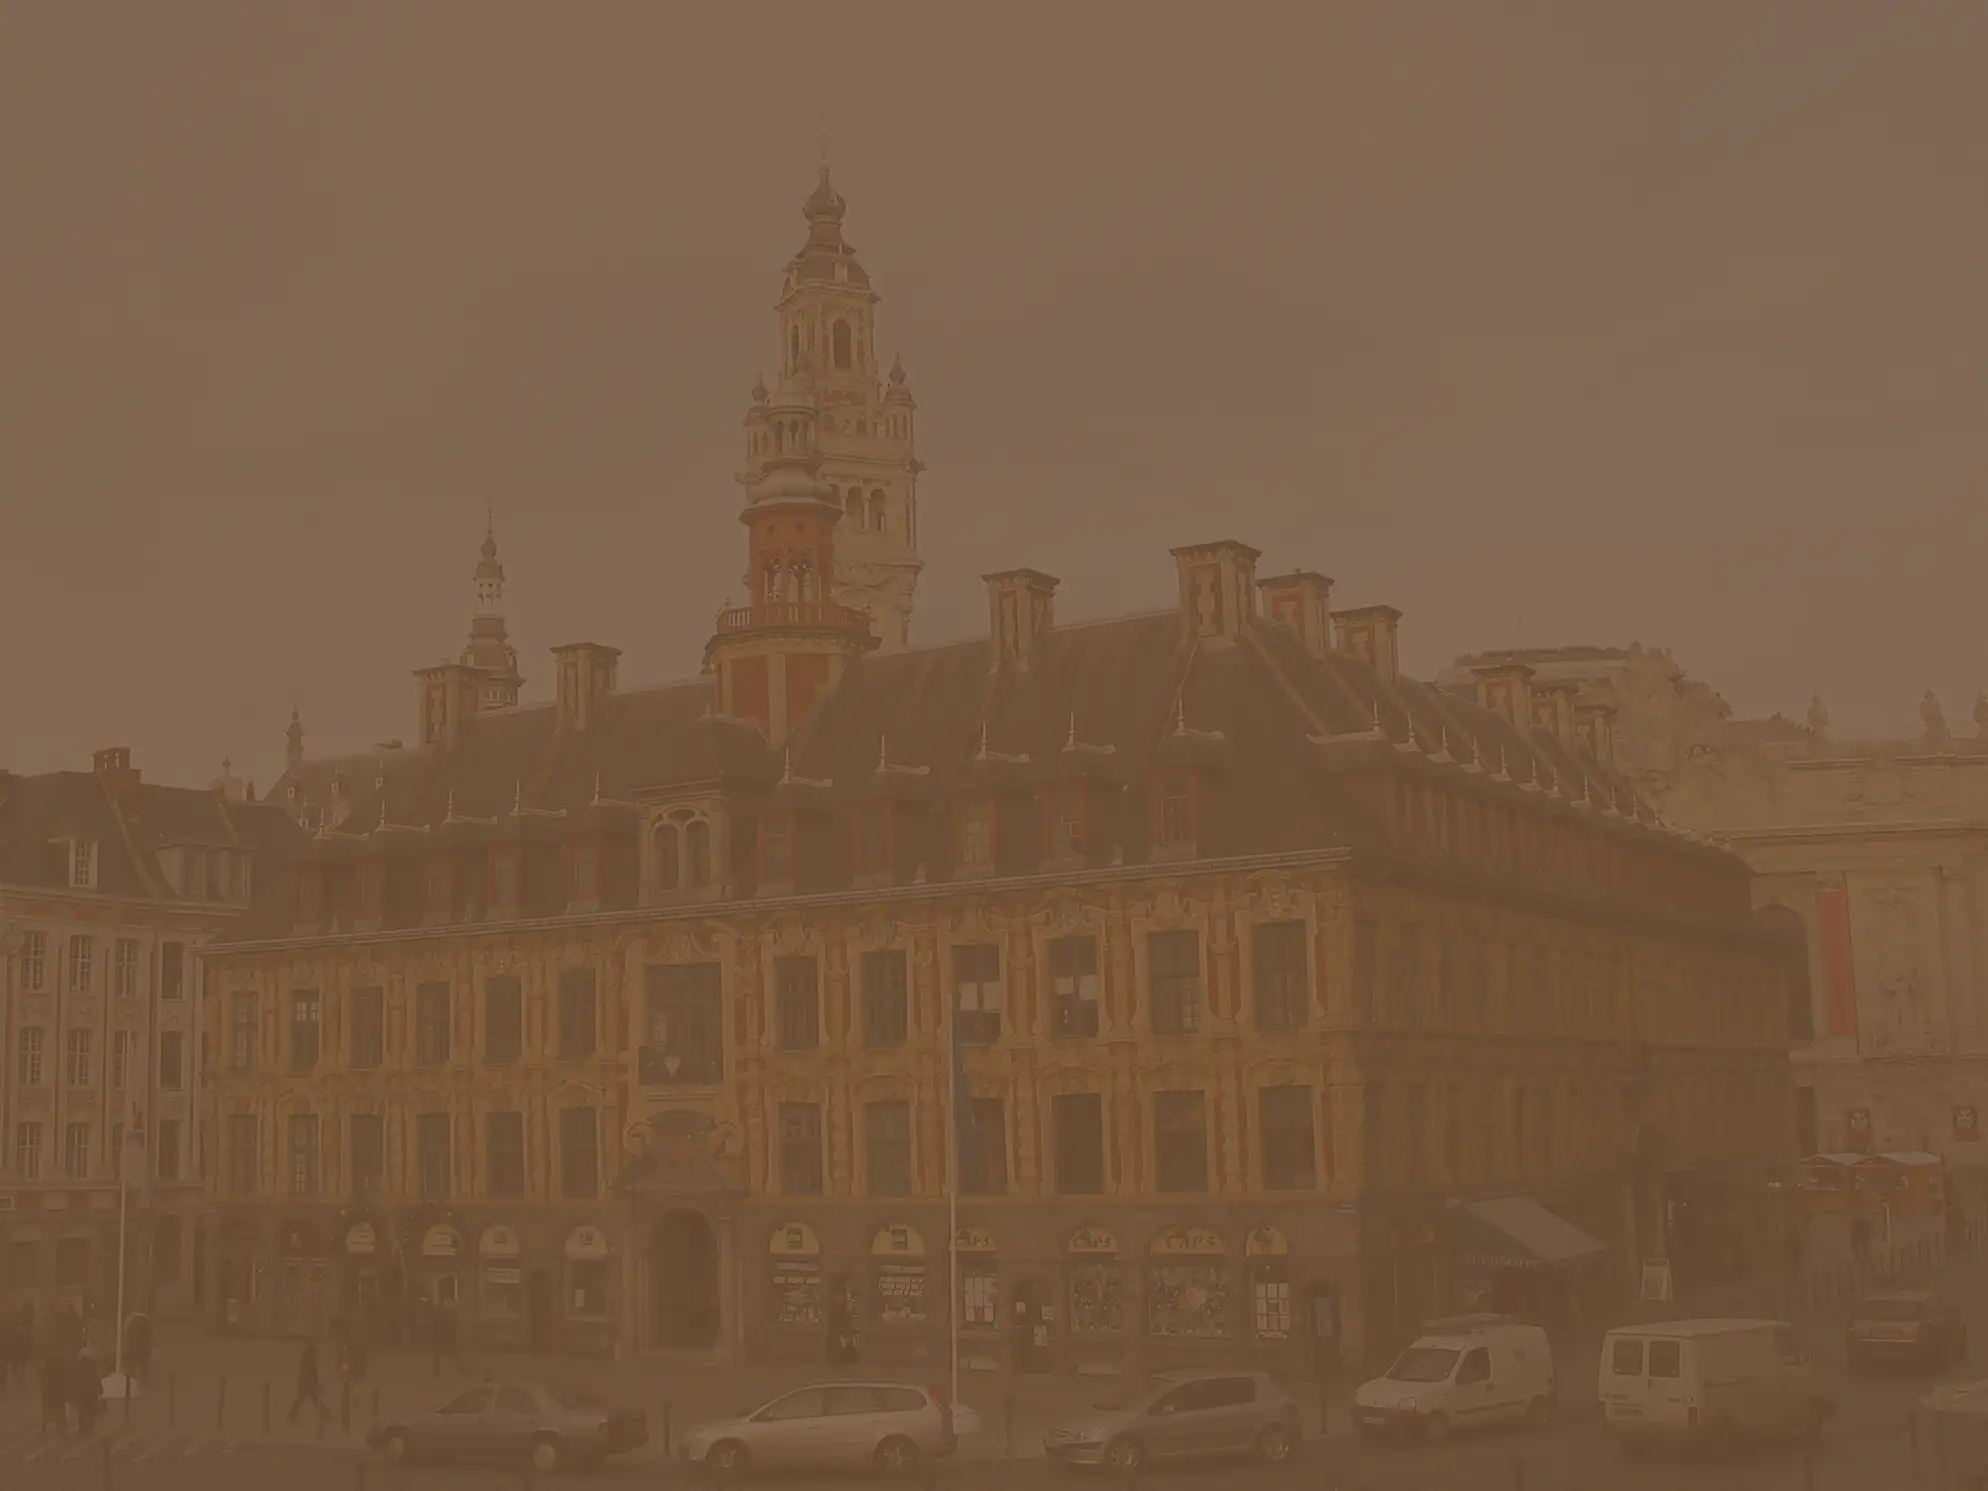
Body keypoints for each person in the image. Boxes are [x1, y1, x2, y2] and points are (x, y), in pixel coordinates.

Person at [289, 1340, 329, 1427]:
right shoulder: (310, 1357)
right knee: (313, 1399)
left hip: (305, 1381)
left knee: (303, 1399)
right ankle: (326, 1415)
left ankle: (292, 1415)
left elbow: (307, 1370)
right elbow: (311, 1371)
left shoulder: (307, 1356)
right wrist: (315, 1382)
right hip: (308, 1382)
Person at [124, 1312, 153, 1385]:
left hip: (134, 1349)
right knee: (143, 1367)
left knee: (132, 1367)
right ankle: (144, 1382)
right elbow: (148, 1338)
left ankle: (129, 1381)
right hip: (142, 1349)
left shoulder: (131, 1322)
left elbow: (128, 1337)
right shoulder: (145, 1323)